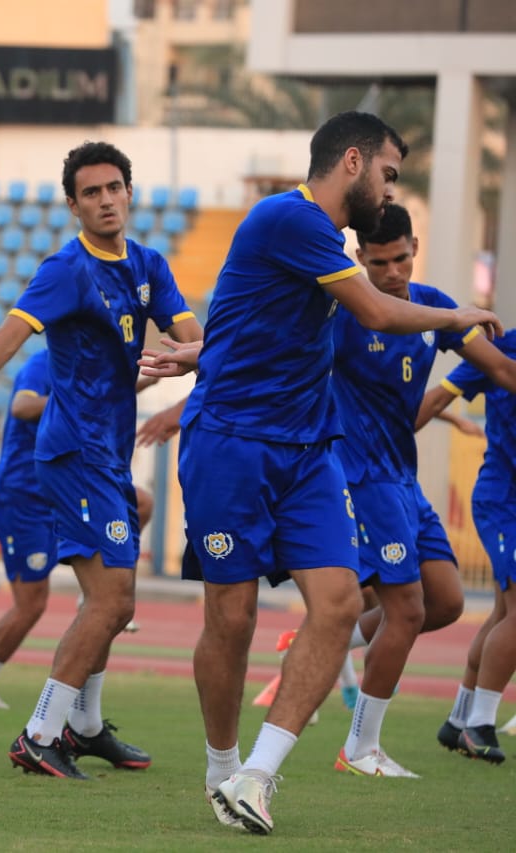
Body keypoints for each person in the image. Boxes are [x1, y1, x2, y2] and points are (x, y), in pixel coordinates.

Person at [141, 111, 499, 834]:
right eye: (389, 174)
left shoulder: (323, 245)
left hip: (309, 451)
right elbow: (376, 313)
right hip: (232, 445)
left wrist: (202, 350)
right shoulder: (290, 218)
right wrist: (456, 314)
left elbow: (256, 321)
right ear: (354, 162)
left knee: (337, 606)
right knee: (232, 620)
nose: (390, 190)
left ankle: (255, 776)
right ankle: (220, 766)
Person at [0, 141, 202, 779]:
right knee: (112, 602)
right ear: (73, 205)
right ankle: (40, 733)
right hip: (72, 453)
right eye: (91, 193)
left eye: (114, 188)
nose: (106, 200)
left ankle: (83, 726)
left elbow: (195, 338)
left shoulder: (148, 265)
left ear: (129, 193)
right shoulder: (66, 269)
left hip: (108, 454)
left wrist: (204, 356)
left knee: (110, 601)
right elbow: (7, 339)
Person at [326, 203, 516, 778]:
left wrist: (459, 323)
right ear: (360, 257)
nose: (391, 273)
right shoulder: (344, 311)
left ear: (414, 248)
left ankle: (327, 644)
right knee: (406, 611)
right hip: (361, 476)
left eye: (400, 259)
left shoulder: (434, 307)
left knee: (447, 602)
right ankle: (360, 748)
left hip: (402, 478)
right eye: (378, 262)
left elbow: (502, 370)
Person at [0, 349, 153, 709]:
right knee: (31, 604)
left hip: (67, 490)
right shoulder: (43, 363)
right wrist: (74, 400)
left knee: (141, 502)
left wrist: (147, 379)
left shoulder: (91, 365)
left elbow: (107, 396)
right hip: (23, 495)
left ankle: (93, 592)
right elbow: (22, 406)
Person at [419, 328, 516, 765]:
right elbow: (437, 397)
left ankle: (460, 719)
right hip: (504, 501)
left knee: (503, 613)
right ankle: (480, 726)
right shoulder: (499, 349)